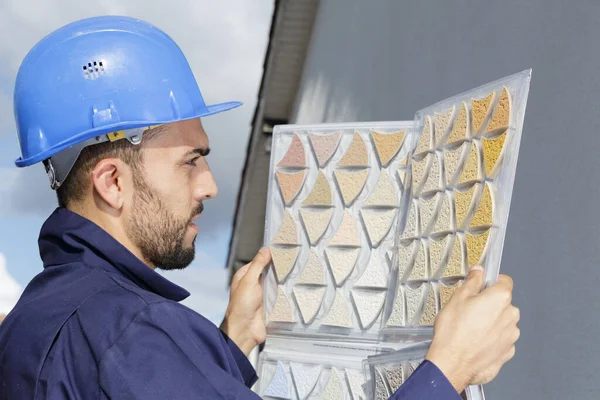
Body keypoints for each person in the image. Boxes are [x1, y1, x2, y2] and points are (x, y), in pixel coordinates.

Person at [0, 16, 519, 399]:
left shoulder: (32, 324)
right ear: (112, 182)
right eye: (190, 162)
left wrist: (232, 341)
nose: (209, 186)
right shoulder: (132, 333)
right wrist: (448, 369)